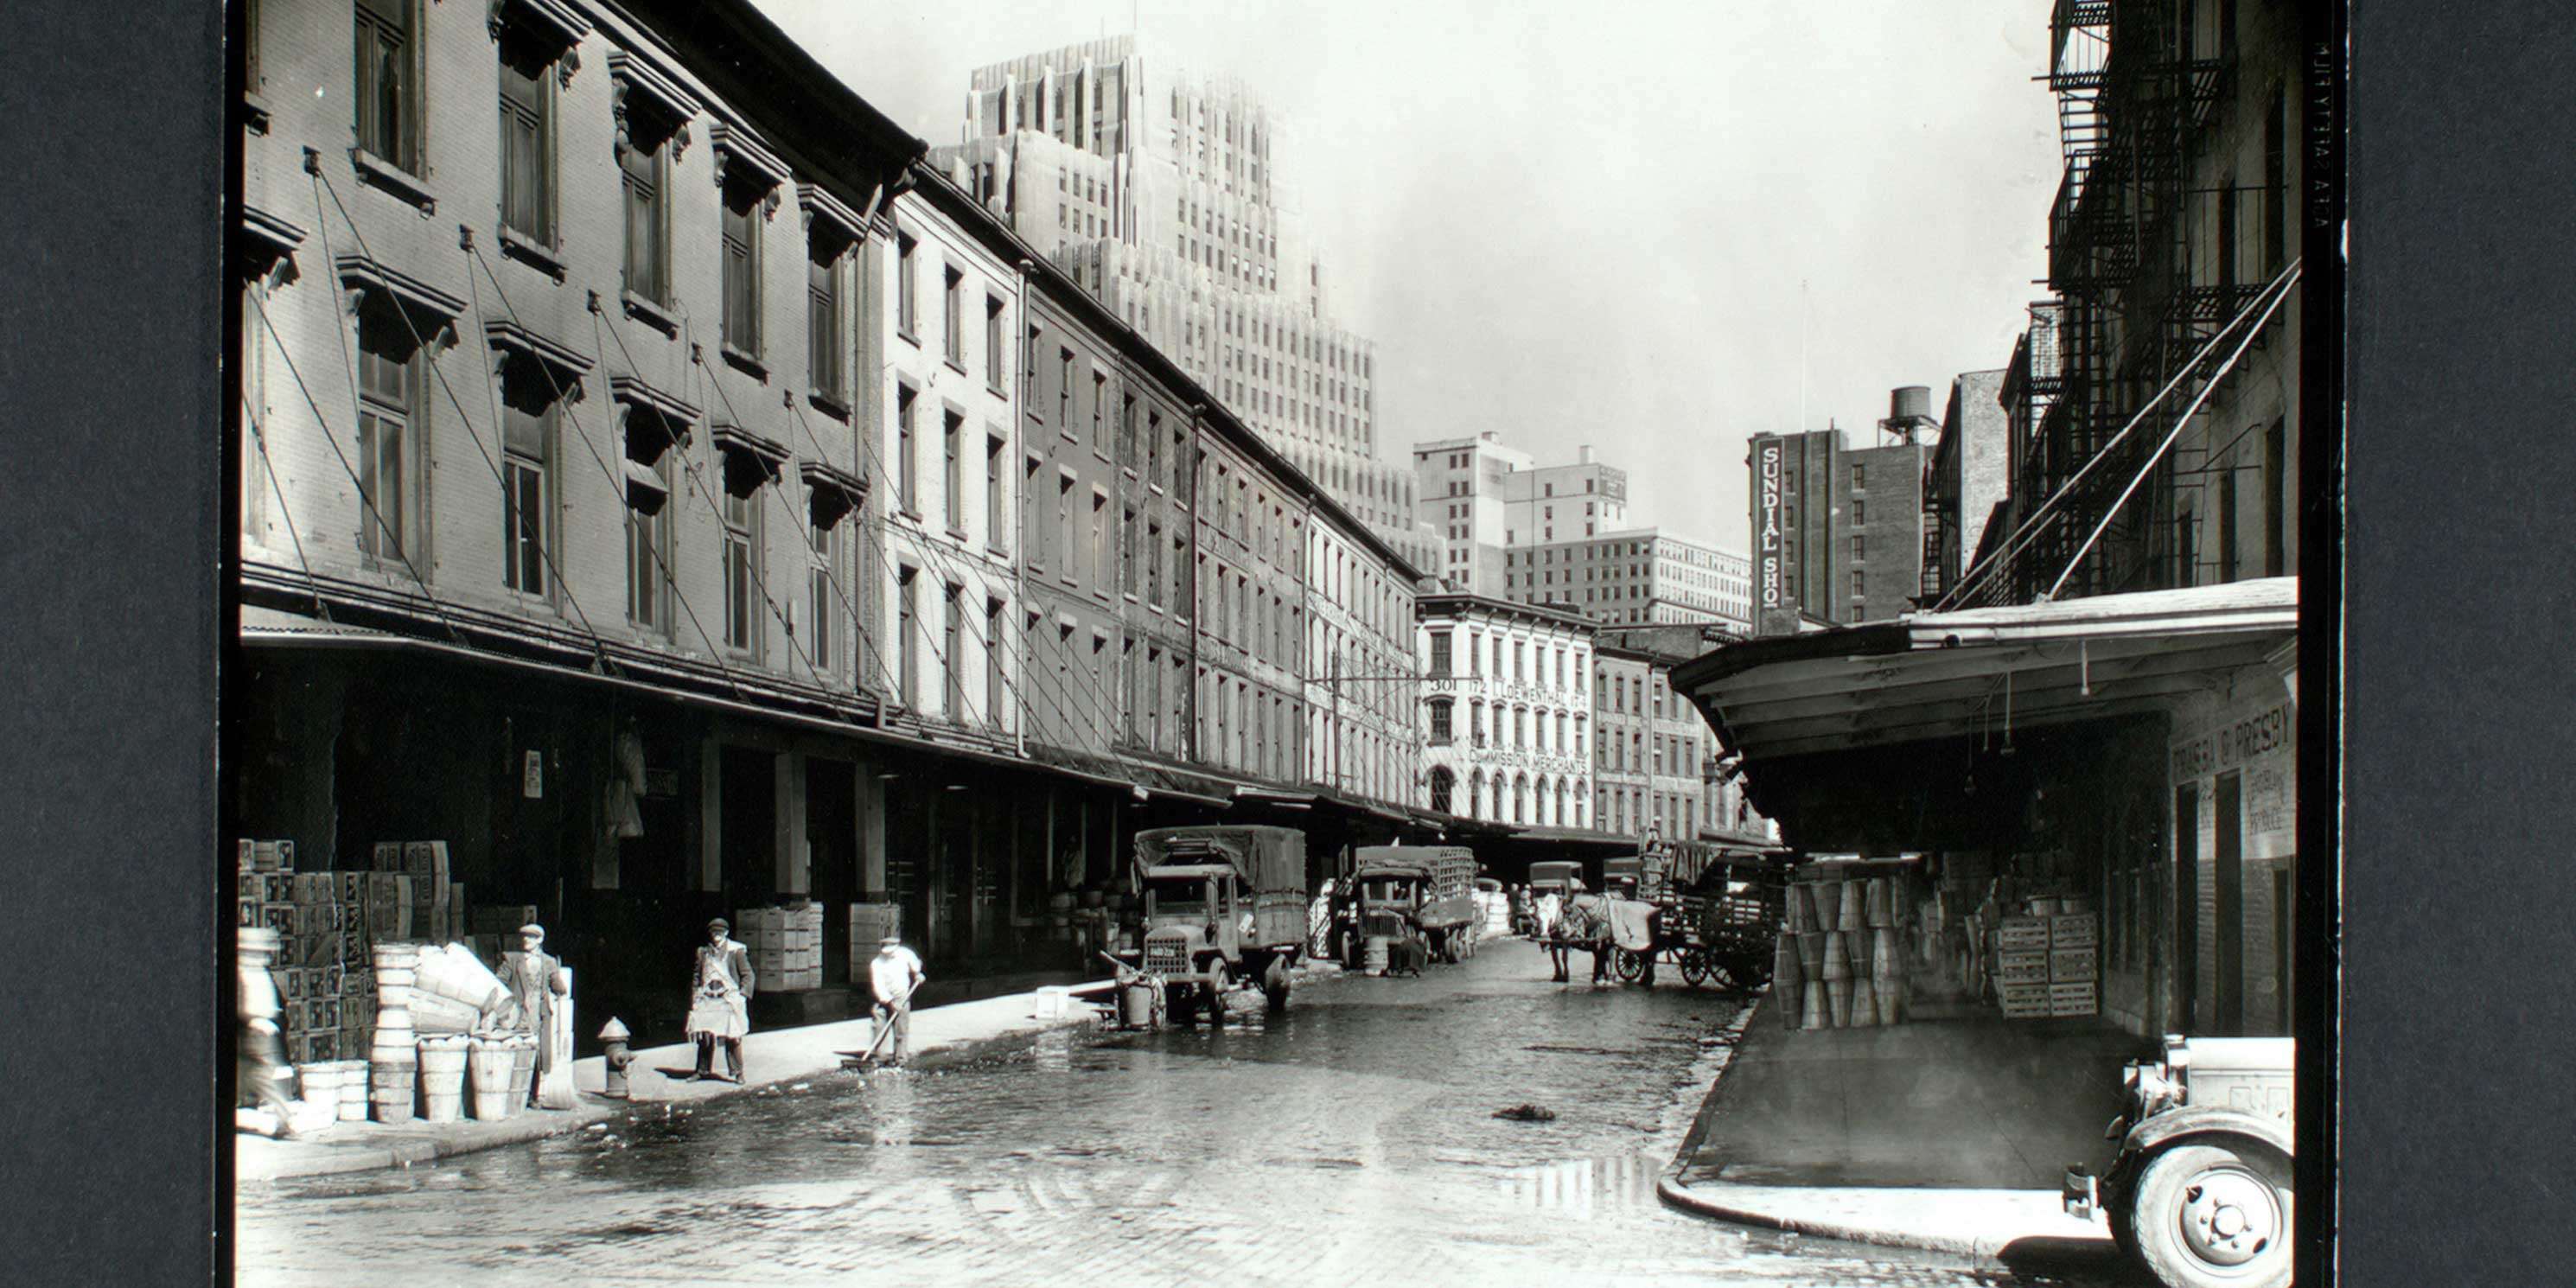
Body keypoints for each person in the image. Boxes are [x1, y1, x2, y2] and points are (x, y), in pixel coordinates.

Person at [237, 928, 299, 1138]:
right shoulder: (240, 974)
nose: (260, 957)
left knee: (260, 1076)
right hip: (251, 1032)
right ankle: (283, 1121)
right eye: (253, 953)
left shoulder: (262, 973)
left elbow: (277, 1002)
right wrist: (253, 1020)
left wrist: (277, 1020)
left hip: (263, 1034)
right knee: (261, 1077)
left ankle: (283, 1121)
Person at [500, 923, 567, 1109]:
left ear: (540, 940)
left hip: (539, 1014)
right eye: (525, 937)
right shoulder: (512, 959)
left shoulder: (549, 962)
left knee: (537, 1056)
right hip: (518, 1013)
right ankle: (514, 1095)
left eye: (531, 937)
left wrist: (560, 985)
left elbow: (557, 986)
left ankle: (533, 1096)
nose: (526, 940)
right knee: (518, 1051)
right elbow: (499, 982)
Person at [686, 918, 755, 1082]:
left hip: (729, 997)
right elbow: (697, 976)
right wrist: (695, 995)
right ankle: (702, 1070)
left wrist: (743, 995)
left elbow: (748, 975)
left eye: (720, 932)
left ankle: (738, 1072)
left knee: (732, 1036)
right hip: (708, 998)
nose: (717, 935)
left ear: (726, 933)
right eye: (714, 932)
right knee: (705, 1036)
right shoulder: (703, 952)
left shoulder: (735, 951)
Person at [868, 934, 927, 1068]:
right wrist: (890, 1002)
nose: (889, 954)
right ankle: (880, 1058)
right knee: (879, 1025)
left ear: (897, 947)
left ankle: (900, 1059)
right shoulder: (876, 963)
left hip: (902, 996)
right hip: (883, 998)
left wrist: (918, 974)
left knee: (901, 1029)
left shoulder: (906, 954)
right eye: (886, 951)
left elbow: (916, 966)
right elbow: (878, 986)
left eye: (891, 952)